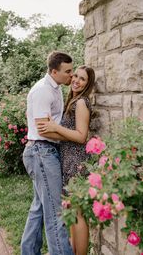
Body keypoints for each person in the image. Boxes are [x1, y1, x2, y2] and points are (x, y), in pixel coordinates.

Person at [37, 65, 95, 255]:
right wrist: (52, 131)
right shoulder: (73, 100)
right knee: (70, 211)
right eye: (75, 76)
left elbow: (81, 136)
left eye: (82, 79)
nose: (76, 80)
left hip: (76, 163)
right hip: (67, 160)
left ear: (88, 84)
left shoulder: (81, 103)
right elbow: (69, 135)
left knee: (77, 213)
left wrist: (55, 127)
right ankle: (70, 249)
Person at [21, 51, 74, 255]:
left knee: (39, 208)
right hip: (41, 152)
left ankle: (28, 251)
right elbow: (44, 128)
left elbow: (52, 125)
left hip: (42, 151)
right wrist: (74, 136)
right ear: (54, 71)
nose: (71, 75)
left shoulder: (56, 87)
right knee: (55, 212)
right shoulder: (43, 90)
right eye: (67, 71)